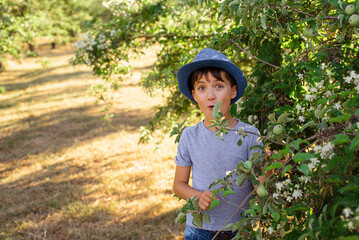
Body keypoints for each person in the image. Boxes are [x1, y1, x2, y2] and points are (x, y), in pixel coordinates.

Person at [173, 48, 262, 240]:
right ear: (194, 95)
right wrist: (197, 196)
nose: (210, 95)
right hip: (199, 231)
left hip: (241, 230)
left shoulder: (249, 134)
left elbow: (261, 188)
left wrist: (268, 167)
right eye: (202, 88)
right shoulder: (189, 136)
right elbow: (179, 184)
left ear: (233, 91)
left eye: (219, 86)